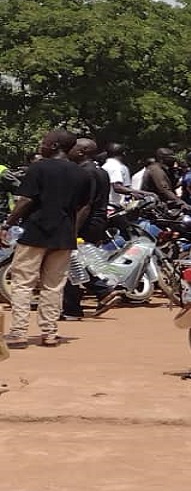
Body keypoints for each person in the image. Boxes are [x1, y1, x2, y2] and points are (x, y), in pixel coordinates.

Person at [2, 130, 90, 349]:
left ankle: (18, 332)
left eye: (44, 142)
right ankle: (49, 333)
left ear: (54, 145)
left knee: (23, 283)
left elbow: (25, 201)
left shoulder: (39, 168)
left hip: (36, 232)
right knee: (53, 286)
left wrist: (7, 224)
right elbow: (82, 206)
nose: (41, 145)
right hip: (63, 236)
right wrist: (72, 229)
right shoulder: (81, 173)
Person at [62, 138, 120, 321]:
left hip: (85, 223)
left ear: (82, 151)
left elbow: (85, 205)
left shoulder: (84, 172)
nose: (68, 152)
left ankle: (99, 293)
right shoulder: (99, 171)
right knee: (77, 262)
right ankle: (76, 306)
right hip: (97, 222)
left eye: (72, 149)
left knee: (71, 262)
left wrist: (73, 230)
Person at [102, 143, 139, 207]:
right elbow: (117, 187)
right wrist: (143, 193)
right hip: (113, 207)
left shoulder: (105, 166)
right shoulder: (115, 167)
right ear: (124, 153)